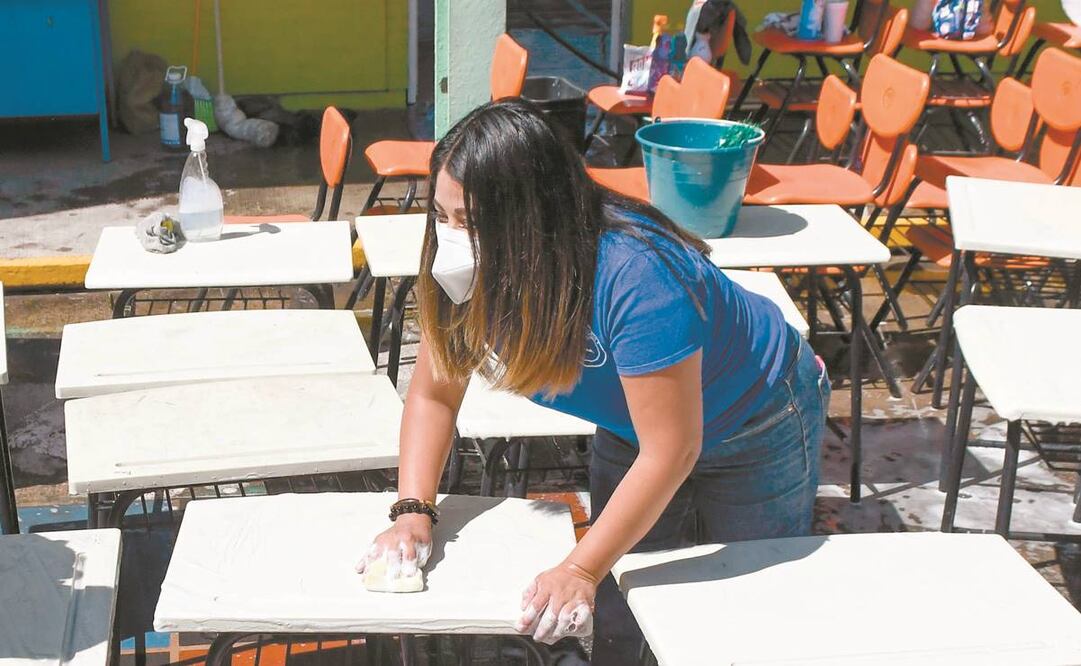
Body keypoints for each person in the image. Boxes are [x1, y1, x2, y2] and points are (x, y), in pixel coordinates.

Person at [356, 99, 829, 663]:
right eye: (443, 215)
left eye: (473, 222)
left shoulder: (638, 274)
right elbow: (435, 393)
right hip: (636, 427)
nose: (453, 238)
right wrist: (413, 509)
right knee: (621, 606)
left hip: (757, 416)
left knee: (739, 601)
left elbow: (673, 449)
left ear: (537, 218)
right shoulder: (463, 267)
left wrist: (579, 566)